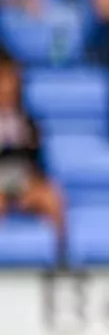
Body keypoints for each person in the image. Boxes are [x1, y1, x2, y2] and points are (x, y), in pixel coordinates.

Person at [0, 53, 64, 241]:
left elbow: (38, 162)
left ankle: (62, 260)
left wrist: (31, 188)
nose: (6, 87)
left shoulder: (29, 121)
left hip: (24, 182)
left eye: (10, 80)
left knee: (52, 197)